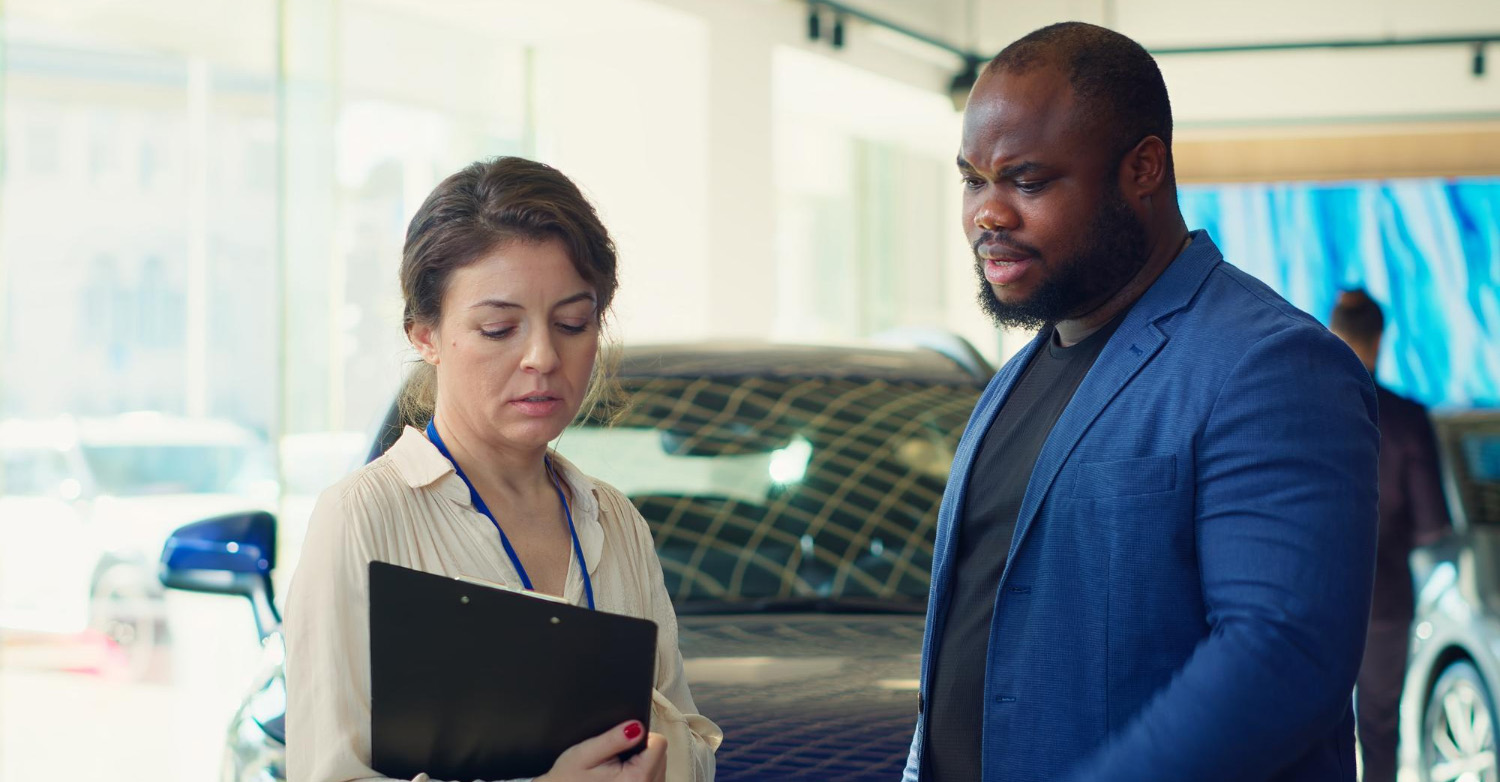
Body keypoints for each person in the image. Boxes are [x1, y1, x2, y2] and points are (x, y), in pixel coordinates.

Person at [904, 22, 1380, 782]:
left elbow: (1281, 659)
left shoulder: (1270, 364)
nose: (988, 214)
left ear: (1144, 168)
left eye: (1026, 180)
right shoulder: (1015, 378)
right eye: (972, 179)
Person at [285, 157, 721, 782]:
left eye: (573, 323)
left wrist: (661, 758)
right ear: (424, 335)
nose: (543, 356)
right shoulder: (364, 517)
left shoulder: (615, 521)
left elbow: (694, 745)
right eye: (498, 329)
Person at [1330, 288, 1451, 782]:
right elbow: (1431, 525)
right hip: (1386, 604)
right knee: (1380, 733)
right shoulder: (1407, 420)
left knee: (1321, 733)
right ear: (1380, 340)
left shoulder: (1302, 412)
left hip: (1318, 603)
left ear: (1332, 335)